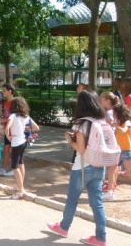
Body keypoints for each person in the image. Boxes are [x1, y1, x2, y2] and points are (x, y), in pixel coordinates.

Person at [47, 90, 107, 246]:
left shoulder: (81, 123)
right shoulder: (100, 121)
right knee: (97, 202)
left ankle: (63, 227)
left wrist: (68, 138)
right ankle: (101, 237)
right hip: (100, 166)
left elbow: (80, 149)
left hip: (83, 167)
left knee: (72, 199)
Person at [5, 97, 39, 199]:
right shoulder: (26, 116)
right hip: (24, 141)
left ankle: (20, 190)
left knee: (14, 167)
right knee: (21, 163)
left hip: (16, 142)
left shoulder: (13, 116)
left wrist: (9, 137)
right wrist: (23, 127)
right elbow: (36, 127)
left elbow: (7, 127)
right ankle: (20, 186)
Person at [99, 91, 120, 191]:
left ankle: (109, 185)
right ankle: (113, 183)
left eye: (102, 100)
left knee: (110, 165)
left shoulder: (108, 113)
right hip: (115, 140)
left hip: (109, 141)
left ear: (108, 100)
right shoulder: (114, 111)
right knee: (115, 164)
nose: (100, 102)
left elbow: (110, 126)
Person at [0, 83, 16, 177]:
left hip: (14, 130)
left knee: (12, 149)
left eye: (4, 90)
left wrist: (4, 120)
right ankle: (3, 169)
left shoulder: (15, 103)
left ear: (10, 91)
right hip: (8, 129)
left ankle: (14, 169)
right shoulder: (7, 103)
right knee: (6, 149)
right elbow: (8, 115)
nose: (2, 92)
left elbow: (16, 118)